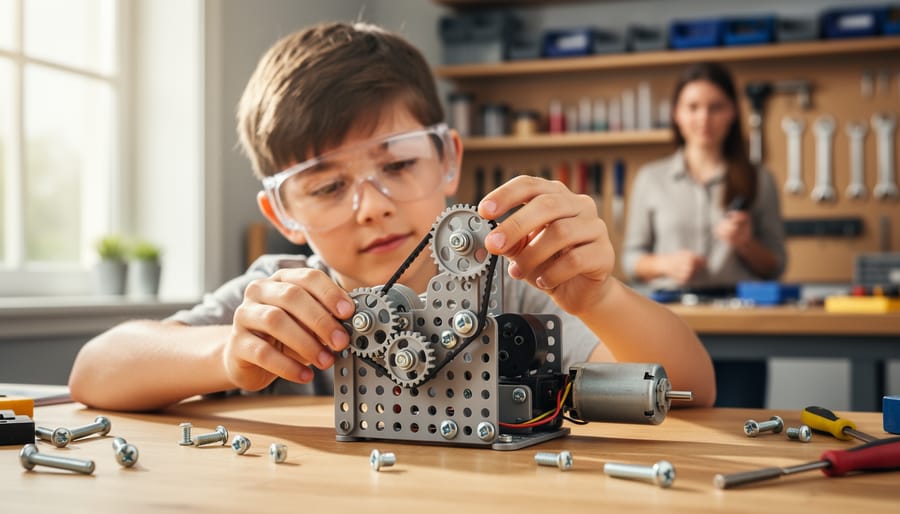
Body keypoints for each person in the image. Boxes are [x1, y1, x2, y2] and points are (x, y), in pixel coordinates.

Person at [68, 21, 715, 412]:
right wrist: (231, 353)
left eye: (399, 166)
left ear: (447, 160)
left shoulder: (512, 285)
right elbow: (96, 369)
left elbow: (689, 389)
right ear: (282, 212)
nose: (371, 205)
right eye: (325, 186)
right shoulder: (281, 298)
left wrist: (599, 297)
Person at [621, 61, 786, 407]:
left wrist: (746, 244)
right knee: (674, 424)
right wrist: (666, 264)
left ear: (733, 114)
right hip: (670, 322)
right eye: (693, 107)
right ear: (677, 114)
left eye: (716, 107)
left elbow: (774, 265)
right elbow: (631, 260)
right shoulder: (651, 178)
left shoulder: (759, 179)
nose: (704, 118)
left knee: (742, 425)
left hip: (740, 326)